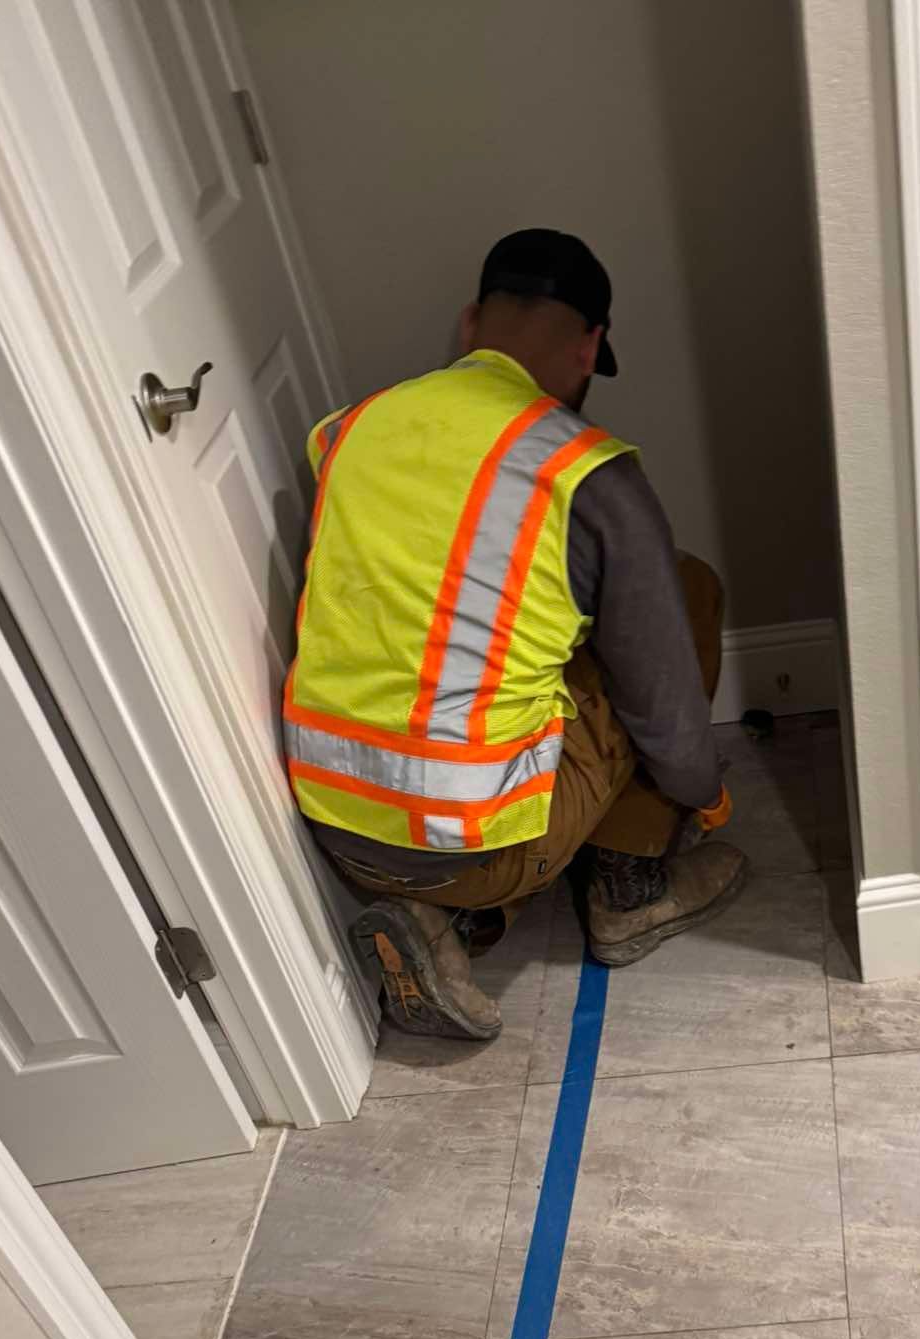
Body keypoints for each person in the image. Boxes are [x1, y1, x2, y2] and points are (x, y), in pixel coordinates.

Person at [283, 228, 746, 1042]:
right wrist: (703, 795)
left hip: (335, 827)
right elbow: (663, 701)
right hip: (476, 848)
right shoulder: (585, 471)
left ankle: (439, 924)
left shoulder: (349, 429)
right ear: (589, 343)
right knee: (684, 587)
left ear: (473, 322)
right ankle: (627, 892)